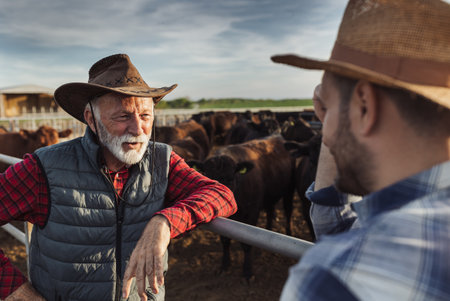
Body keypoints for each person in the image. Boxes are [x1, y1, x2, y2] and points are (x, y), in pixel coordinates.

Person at [0, 54, 237, 301]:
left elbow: (222, 195)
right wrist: (17, 292)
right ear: (91, 120)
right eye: (123, 116)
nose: (138, 129)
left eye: (145, 116)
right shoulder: (45, 168)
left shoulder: (161, 160)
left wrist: (164, 222)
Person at [271, 0, 450, 300]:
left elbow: (351, 249)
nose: (325, 136)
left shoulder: (333, 280)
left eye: (329, 108)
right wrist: (339, 107)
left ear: (365, 106)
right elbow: (342, 227)